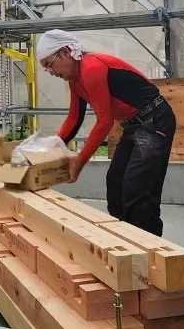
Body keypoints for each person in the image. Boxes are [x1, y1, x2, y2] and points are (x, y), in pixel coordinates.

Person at [36, 29, 175, 237]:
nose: (51, 72)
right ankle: (124, 239)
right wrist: (54, 146)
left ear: (64, 52)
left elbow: (104, 122)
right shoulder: (75, 79)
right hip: (134, 124)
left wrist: (79, 162)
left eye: (49, 64)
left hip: (154, 120)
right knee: (116, 183)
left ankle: (149, 246)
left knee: (138, 190)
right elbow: (74, 117)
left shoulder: (92, 68)